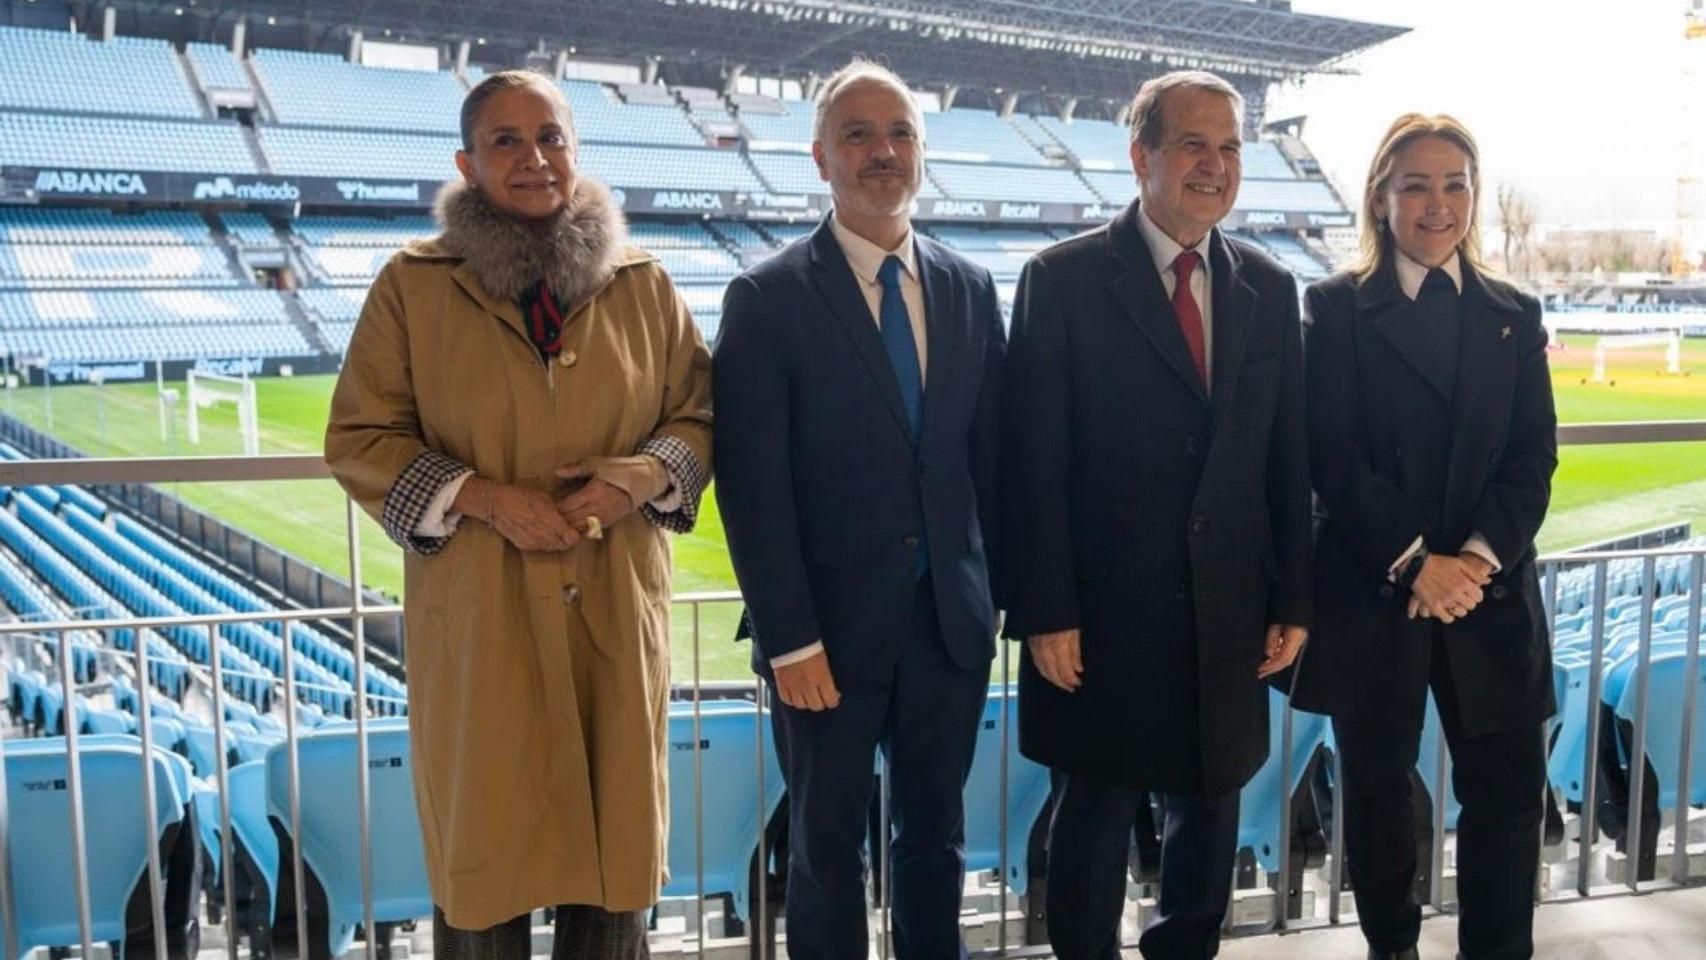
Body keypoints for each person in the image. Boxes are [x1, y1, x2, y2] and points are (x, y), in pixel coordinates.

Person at [324, 69, 711, 960]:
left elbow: (700, 413)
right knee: (484, 884)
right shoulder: (413, 287)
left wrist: (644, 475)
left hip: (614, 616)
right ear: (467, 162)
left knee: (612, 889)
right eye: (506, 141)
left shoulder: (644, 285)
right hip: (482, 631)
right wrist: (485, 500)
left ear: (576, 152)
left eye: (551, 138)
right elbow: (359, 437)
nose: (534, 158)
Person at [1001, 70, 1313, 960]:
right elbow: (1033, 464)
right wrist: (1047, 612)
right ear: (1140, 157)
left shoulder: (1269, 286)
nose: (1214, 166)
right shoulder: (1059, 280)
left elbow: (1287, 461)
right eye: (1192, 146)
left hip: (1228, 615)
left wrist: (1295, 599)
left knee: (1208, 825)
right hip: (1100, 618)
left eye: (1229, 149)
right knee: (1092, 824)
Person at [712, 59, 1005, 960]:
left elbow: (990, 463)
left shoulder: (967, 287)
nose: (884, 151)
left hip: (947, 631)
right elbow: (753, 487)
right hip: (823, 642)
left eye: (901, 134)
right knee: (827, 849)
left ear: (921, 152)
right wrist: (790, 637)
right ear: (820, 158)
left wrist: (991, 601)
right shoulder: (765, 297)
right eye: (859, 135)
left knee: (935, 841)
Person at [1288, 113, 1557, 960]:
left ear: (1473, 197)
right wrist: (1417, 564)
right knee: (1376, 793)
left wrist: (1472, 561)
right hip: (1379, 594)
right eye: (1416, 184)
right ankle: (1391, 948)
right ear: (1381, 198)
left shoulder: (1515, 312)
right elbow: (1331, 455)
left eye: (1455, 184)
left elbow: (1532, 457)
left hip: (1492, 593)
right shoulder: (1331, 309)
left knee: (1509, 800)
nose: (1437, 204)